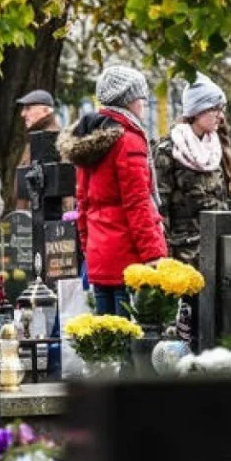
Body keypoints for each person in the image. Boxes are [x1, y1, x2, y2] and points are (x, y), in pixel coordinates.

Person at [58, 66, 166, 316]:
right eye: (142, 98)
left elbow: (82, 202)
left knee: (106, 339)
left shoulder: (90, 140)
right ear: (129, 101)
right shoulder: (128, 141)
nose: (144, 104)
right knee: (131, 338)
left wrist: (88, 246)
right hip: (128, 256)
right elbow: (138, 203)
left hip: (99, 253)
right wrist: (154, 254)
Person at [155, 74, 231, 264]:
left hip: (219, 250)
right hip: (184, 255)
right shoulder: (168, 150)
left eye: (221, 109)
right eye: (215, 109)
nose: (220, 116)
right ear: (197, 110)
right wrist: (165, 256)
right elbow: (159, 208)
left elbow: (227, 200)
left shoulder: (217, 148)